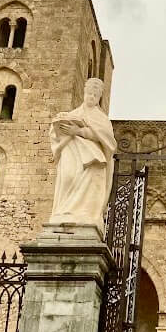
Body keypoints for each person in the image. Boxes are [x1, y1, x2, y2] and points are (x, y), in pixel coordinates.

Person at [49, 77, 116, 234]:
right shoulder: (72, 114)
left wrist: (78, 131)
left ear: (99, 98)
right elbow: (55, 134)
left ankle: (87, 216)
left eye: (95, 95)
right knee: (68, 178)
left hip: (93, 158)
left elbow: (108, 140)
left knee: (92, 182)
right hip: (72, 155)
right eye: (89, 94)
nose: (91, 97)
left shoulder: (102, 119)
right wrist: (60, 127)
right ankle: (63, 213)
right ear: (84, 94)